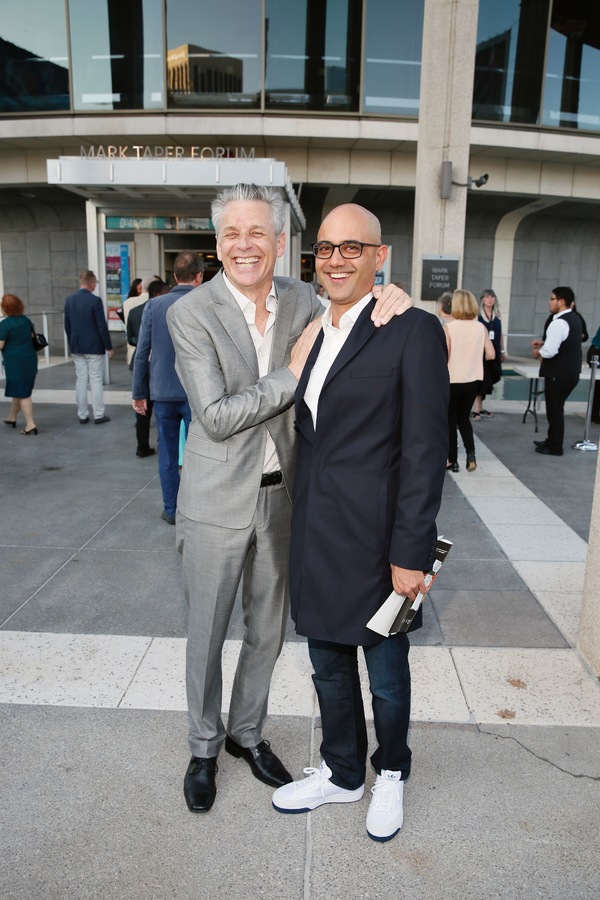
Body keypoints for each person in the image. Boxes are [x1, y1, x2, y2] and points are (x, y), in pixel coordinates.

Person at [166, 182, 411, 816]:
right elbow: (216, 416)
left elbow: (357, 298)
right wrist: (291, 375)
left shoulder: (305, 297)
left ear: (281, 242)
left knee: (268, 635)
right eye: (230, 235)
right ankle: (202, 746)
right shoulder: (188, 313)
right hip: (215, 502)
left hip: (286, 503)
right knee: (206, 633)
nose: (244, 246)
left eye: (257, 234)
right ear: (217, 245)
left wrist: (392, 295)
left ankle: (247, 734)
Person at [271, 203, 449, 843]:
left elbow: (427, 453)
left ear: (380, 257)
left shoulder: (411, 328)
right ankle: (343, 773)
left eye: (354, 247)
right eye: (326, 247)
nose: (338, 258)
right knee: (326, 664)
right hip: (317, 533)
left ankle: (391, 771)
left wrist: (412, 552)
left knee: (386, 670)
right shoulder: (313, 330)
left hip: (379, 542)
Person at [132, 254, 203, 523]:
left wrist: (139, 393)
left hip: (161, 390)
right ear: (200, 276)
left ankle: (171, 510)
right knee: (199, 453)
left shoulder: (154, 305)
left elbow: (142, 353)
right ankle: (196, 509)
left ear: (174, 276)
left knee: (167, 453)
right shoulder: (204, 303)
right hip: (196, 391)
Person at [444, 289, 495, 472]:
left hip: (452, 379)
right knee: (464, 419)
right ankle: (471, 455)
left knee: (450, 420)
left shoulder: (449, 327)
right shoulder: (480, 327)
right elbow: (491, 354)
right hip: (473, 380)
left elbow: (445, 355)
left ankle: (452, 460)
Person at [531, 286, 582, 456]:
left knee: (555, 411)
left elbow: (550, 351)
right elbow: (563, 344)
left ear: (561, 302)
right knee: (556, 409)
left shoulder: (558, 322)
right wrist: (543, 345)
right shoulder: (574, 319)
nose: (549, 301)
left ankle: (555, 446)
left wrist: (538, 352)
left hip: (558, 374)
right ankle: (551, 440)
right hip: (570, 373)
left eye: (552, 298)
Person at [64, 271, 113, 424]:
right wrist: (108, 346)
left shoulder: (69, 300)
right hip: (94, 346)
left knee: (81, 380)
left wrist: (72, 341)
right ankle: (98, 414)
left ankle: (82, 414)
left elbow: (67, 325)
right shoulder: (95, 301)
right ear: (92, 283)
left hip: (77, 345)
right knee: (96, 380)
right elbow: (101, 326)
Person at [127, 279, 167, 458]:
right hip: (161, 366)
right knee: (161, 409)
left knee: (142, 410)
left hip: (140, 362)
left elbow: (130, 338)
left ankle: (141, 446)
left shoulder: (134, 312)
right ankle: (162, 442)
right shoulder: (165, 310)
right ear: (159, 294)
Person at [0, 293, 39, 435]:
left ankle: (30, 424)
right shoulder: (25, 320)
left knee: (23, 394)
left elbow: (0, 345)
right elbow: (32, 337)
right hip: (30, 360)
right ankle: (12, 417)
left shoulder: (4, 324)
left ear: (5, 309)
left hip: (15, 363)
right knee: (20, 389)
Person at [472, 289, 504, 419]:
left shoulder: (497, 314)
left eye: (492, 297)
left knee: (490, 378)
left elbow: (500, 334)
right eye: (487, 297)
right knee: (481, 379)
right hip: (482, 351)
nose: (490, 299)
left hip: (494, 351)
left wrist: (502, 350)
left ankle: (480, 407)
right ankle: (475, 410)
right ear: (482, 300)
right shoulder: (478, 315)